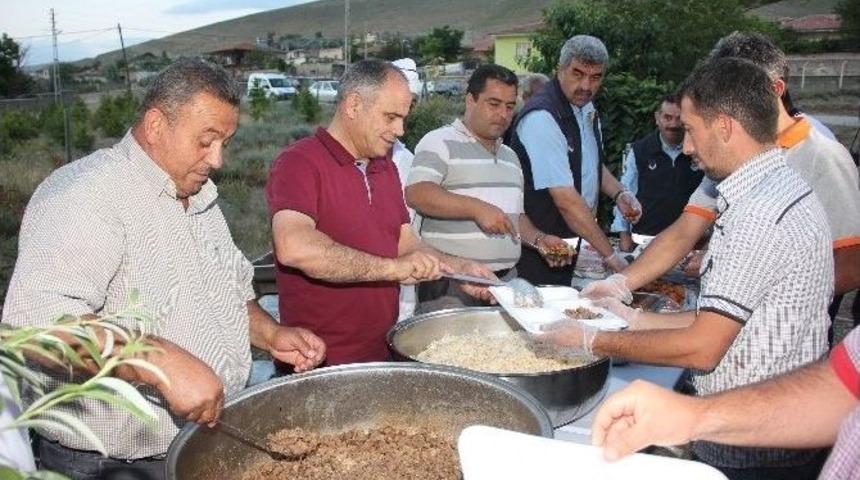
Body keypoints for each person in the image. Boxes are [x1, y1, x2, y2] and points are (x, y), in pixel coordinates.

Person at [1, 58, 326, 479]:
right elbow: (35, 325)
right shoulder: (86, 195)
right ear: (156, 126)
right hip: (109, 465)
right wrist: (158, 361)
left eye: (225, 142)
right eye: (206, 140)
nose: (218, 159)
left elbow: (225, 293)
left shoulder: (198, 192)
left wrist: (272, 334)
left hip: (198, 442)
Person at [537, 57, 833, 479]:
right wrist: (633, 314)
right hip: (765, 431)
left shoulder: (757, 214)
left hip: (755, 449)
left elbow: (703, 345)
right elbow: (729, 318)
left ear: (726, 126)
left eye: (692, 130)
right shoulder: (770, 184)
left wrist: (592, 340)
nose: (688, 147)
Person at [584, 31, 860, 304]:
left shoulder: (823, 156)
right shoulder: (729, 154)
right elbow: (684, 231)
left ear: (775, 89)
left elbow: (850, 266)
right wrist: (620, 282)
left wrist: (758, 301)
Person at [266, 60, 494, 366]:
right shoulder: (299, 163)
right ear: (354, 105)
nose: (399, 130)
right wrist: (393, 269)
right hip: (318, 363)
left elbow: (405, 243)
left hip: (382, 352)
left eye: (403, 119)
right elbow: (295, 248)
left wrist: (459, 268)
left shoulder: (384, 167)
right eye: (390, 117)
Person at [591, 325, 860, 480]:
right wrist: (695, 415)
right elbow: (841, 388)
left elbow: (704, 345)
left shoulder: (762, 230)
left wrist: (593, 339)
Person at [405, 64, 572, 312]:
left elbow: (515, 219)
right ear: (470, 100)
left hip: (505, 282)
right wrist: (476, 208)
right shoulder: (439, 141)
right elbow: (418, 193)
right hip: (452, 284)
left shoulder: (510, 157)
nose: (503, 114)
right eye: (493, 104)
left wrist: (540, 240)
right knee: (450, 351)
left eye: (509, 106)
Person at [508, 35, 642, 287]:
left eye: (595, 77)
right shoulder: (542, 118)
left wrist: (620, 194)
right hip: (538, 248)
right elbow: (566, 201)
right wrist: (611, 256)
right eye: (577, 74)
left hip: (570, 243)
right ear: (559, 69)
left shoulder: (585, 109)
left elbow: (590, 164)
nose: (586, 86)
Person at [611, 93, 703, 252]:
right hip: (643, 244)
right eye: (667, 117)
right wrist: (624, 236)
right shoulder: (639, 151)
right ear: (657, 118)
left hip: (687, 245)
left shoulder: (699, 151)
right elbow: (625, 194)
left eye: (679, 118)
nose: (673, 124)